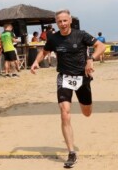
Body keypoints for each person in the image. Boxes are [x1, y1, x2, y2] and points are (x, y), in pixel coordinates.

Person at [30, 9, 106, 168]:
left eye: (65, 21)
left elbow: (101, 46)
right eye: (59, 21)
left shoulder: (81, 35)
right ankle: (71, 152)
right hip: (64, 77)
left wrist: (91, 59)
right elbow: (44, 52)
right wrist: (36, 62)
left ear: (70, 21)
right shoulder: (54, 38)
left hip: (82, 76)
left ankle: (83, 103)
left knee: (87, 112)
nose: (62, 24)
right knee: (65, 112)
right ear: (56, 23)